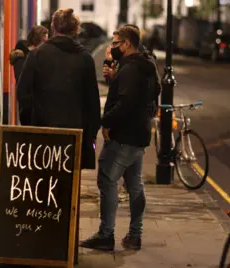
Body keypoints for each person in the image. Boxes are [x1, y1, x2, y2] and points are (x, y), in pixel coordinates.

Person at [80, 25, 159, 251]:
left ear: (126, 44)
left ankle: (106, 234)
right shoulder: (146, 65)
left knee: (107, 179)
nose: (112, 47)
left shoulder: (130, 69)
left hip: (123, 135)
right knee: (135, 184)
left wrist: (105, 122)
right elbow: (151, 93)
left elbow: (125, 103)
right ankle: (135, 235)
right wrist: (113, 76)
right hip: (139, 135)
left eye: (115, 43)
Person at [16, 8, 101, 170]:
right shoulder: (85, 58)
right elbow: (92, 99)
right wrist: (92, 132)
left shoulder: (38, 54)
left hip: (43, 130)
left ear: (53, 27)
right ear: (76, 29)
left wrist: (29, 123)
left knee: (45, 180)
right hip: (75, 133)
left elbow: (23, 93)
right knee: (71, 181)